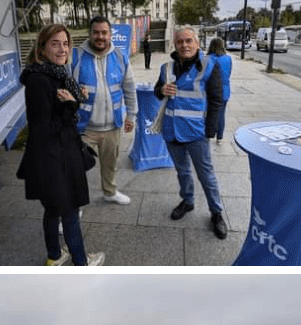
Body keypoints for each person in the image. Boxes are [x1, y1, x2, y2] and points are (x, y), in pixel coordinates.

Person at [16, 23, 105, 268]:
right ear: (42, 48)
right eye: (55, 43)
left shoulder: (56, 74)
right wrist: (70, 105)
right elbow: (44, 128)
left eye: (65, 43)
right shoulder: (39, 81)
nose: (62, 49)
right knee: (69, 212)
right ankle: (81, 264)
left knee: (53, 210)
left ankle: (54, 257)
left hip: (57, 155)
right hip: (55, 159)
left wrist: (74, 97)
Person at [154, 25, 227, 239]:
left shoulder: (209, 65)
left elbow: (216, 100)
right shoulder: (166, 68)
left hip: (196, 132)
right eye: (180, 42)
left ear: (197, 43)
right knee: (182, 171)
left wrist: (210, 131)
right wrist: (161, 90)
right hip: (171, 130)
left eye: (189, 41)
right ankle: (188, 201)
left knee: (206, 175)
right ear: (174, 44)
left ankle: (216, 213)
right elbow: (157, 93)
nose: (185, 45)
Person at [72, 15, 137, 205]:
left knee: (110, 165)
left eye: (104, 32)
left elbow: (129, 88)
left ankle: (110, 193)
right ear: (90, 34)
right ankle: (76, 205)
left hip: (112, 126)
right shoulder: (75, 56)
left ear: (110, 34)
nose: (100, 36)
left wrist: (131, 115)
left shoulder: (120, 56)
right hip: (84, 127)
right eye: (96, 32)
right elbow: (65, 88)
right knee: (76, 168)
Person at [207, 36, 233, 141]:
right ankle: (220, 137)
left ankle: (209, 134)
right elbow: (229, 73)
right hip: (225, 90)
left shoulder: (208, 59)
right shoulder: (228, 58)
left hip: (211, 90)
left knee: (210, 113)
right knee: (221, 114)